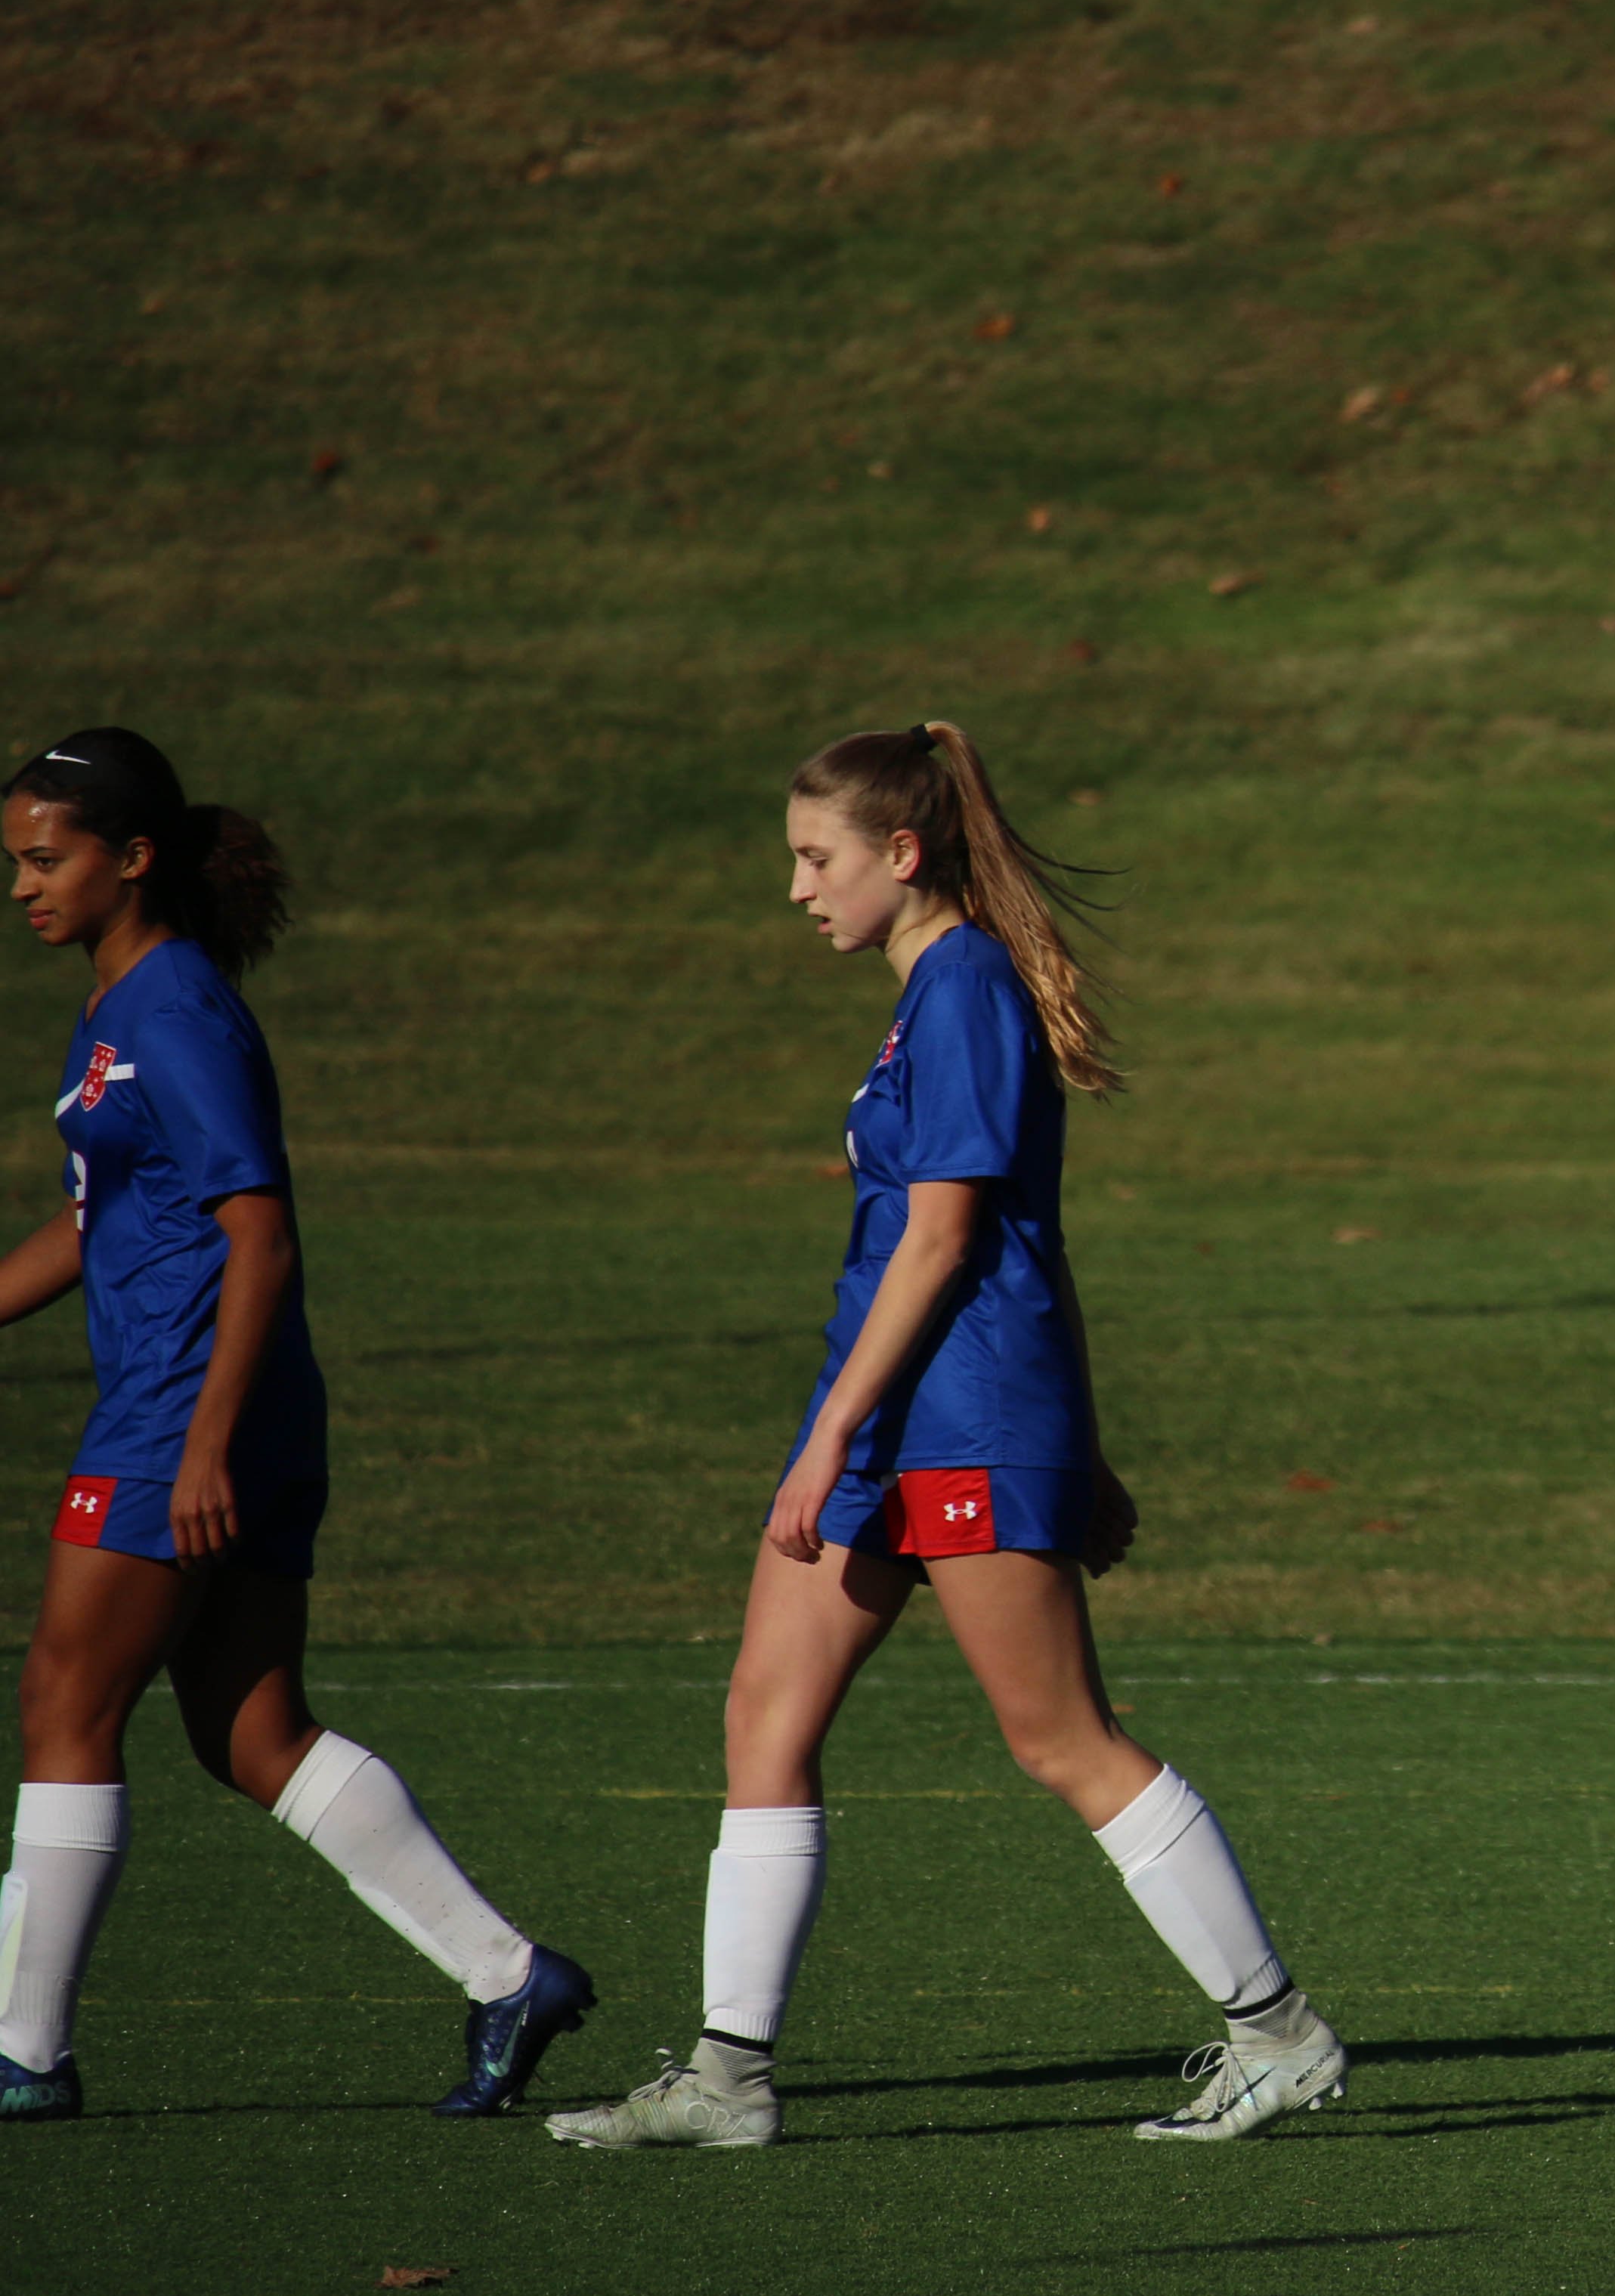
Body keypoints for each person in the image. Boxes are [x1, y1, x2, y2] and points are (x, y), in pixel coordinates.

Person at [546, 723, 1338, 2149]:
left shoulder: (964, 982)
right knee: (762, 1715)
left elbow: (953, 1235)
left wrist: (836, 1437)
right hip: (897, 1416)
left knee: (1060, 1741)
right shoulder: (927, 995)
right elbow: (1021, 1237)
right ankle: (729, 2082)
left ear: (901, 856)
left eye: (815, 858)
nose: (797, 887)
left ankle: (1277, 2033)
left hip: (954, 1414)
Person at [0, 731, 590, 2122]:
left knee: (64, 1703)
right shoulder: (118, 1006)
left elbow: (257, 1235)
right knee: (249, 1731)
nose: (22, 886)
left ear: (131, 859)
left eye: (45, 859)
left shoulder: (175, 1011)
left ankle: (25, 2056)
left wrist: (203, 1444)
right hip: (226, 1411)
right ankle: (511, 1976)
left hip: (184, 1411)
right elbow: (99, 1227)